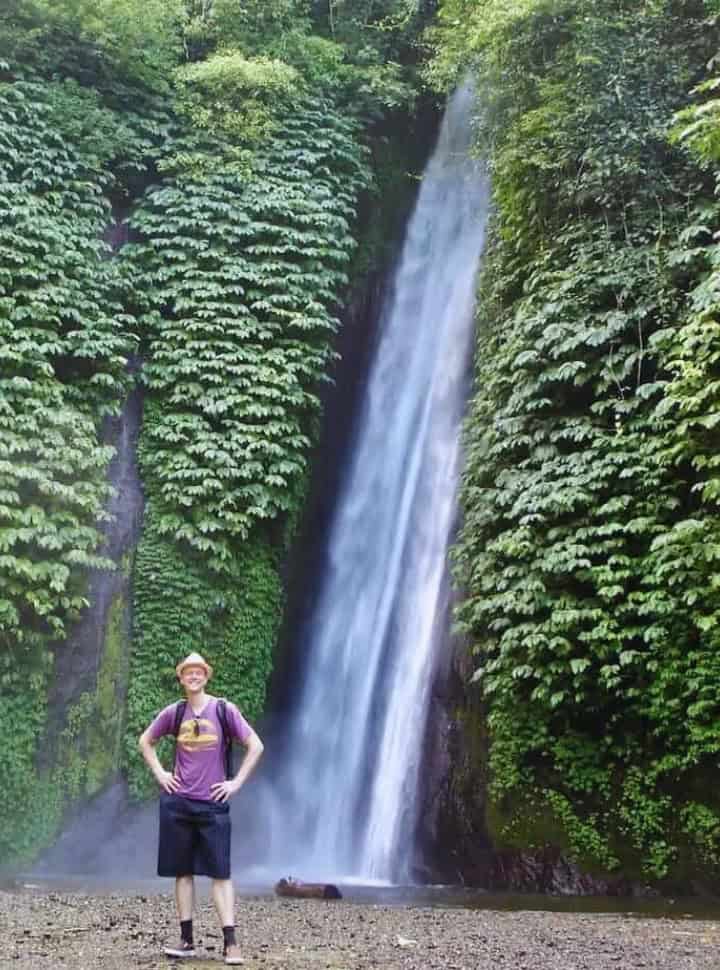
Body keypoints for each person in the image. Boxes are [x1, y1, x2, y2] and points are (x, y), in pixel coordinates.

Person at [139, 651, 264, 964]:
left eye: (199, 672)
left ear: (206, 677)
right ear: (181, 678)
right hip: (178, 802)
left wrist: (235, 783)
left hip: (212, 804)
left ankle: (231, 943)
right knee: (183, 872)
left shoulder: (224, 710)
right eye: (188, 673)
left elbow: (255, 745)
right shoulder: (175, 712)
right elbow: (145, 741)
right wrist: (160, 773)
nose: (193, 676)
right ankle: (186, 940)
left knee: (221, 873)